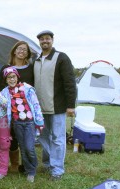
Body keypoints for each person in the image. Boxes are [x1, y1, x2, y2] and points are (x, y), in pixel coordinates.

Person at [34, 30, 77, 181]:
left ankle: (57, 169)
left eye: (47, 39)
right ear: (39, 42)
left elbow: (70, 82)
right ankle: (47, 164)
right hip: (40, 107)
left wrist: (71, 105)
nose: (44, 41)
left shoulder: (61, 58)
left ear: (52, 40)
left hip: (57, 107)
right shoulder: (37, 59)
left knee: (58, 138)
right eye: (42, 39)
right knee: (44, 138)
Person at [1, 67, 44, 183]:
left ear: (17, 77)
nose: (11, 79)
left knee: (30, 147)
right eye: (9, 78)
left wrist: (40, 122)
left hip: (29, 123)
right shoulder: (5, 93)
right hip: (17, 123)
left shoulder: (27, 89)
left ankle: (33, 166)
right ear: (6, 80)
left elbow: (35, 104)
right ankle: (30, 171)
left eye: (13, 77)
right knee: (23, 149)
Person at [0, 41, 34, 172]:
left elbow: (32, 89)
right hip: (9, 109)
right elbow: (0, 89)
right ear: (14, 50)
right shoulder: (5, 68)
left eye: (25, 50)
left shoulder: (31, 68)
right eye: (19, 48)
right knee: (11, 135)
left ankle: (26, 165)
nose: (21, 51)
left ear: (28, 54)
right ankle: (14, 164)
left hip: (25, 110)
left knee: (25, 138)